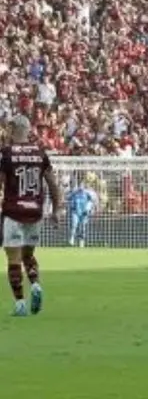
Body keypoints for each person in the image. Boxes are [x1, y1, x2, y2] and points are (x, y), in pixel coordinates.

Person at [0, 114, 63, 316]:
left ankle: (20, 304)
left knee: (14, 259)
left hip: (13, 212)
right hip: (35, 211)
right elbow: (53, 183)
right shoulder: (40, 153)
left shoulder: (6, 154)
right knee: (28, 254)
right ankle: (35, 284)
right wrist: (56, 209)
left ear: (12, 129)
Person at [67, 179, 97, 247]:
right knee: (74, 225)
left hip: (84, 213)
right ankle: (72, 238)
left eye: (82, 185)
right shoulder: (75, 193)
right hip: (75, 212)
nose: (81, 187)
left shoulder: (87, 193)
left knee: (82, 227)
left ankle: (81, 240)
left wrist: (89, 209)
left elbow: (92, 201)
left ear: (84, 186)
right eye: (80, 185)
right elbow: (67, 197)